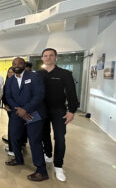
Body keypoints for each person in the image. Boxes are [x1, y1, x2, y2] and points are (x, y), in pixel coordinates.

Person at [5, 57, 48, 182]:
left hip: (34, 113)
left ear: (24, 65)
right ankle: (18, 159)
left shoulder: (34, 76)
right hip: (17, 113)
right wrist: (18, 109)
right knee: (14, 136)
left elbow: (39, 95)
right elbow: (8, 96)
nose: (16, 65)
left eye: (19, 63)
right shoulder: (10, 80)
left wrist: (26, 109)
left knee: (34, 141)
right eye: (14, 63)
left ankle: (41, 170)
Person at [39, 48, 79, 182]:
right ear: (42, 58)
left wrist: (72, 111)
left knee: (60, 138)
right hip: (42, 110)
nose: (48, 57)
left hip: (59, 111)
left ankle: (58, 166)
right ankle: (48, 155)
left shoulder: (65, 73)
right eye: (46, 55)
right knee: (44, 135)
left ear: (56, 57)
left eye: (51, 55)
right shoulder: (38, 74)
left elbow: (71, 93)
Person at [2, 67, 15, 156]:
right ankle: (12, 147)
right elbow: (4, 96)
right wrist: (5, 105)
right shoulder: (7, 83)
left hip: (17, 109)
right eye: (9, 72)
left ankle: (14, 148)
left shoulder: (18, 83)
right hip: (9, 108)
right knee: (11, 127)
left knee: (14, 128)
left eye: (12, 72)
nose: (10, 74)